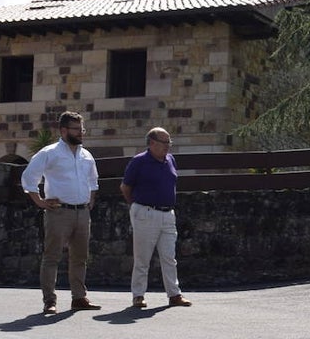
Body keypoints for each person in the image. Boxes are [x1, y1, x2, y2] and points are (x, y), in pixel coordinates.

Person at [21, 111, 101, 314]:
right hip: (59, 212)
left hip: (82, 212)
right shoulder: (50, 152)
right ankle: (49, 301)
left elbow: (93, 180)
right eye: (76, 129)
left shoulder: (86, 155)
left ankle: (79, 297)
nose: (81, 133)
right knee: (52, 257)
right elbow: (29, 176)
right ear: (63, 130)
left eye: (82, 129)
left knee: (80, 257)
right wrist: (39, 201)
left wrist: (90, 200)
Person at [119, 127, 192, 309]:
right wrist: (137, 207)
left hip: (168, 214)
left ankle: (174, 294)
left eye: (169, 142)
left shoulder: (170, 160)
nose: (168, 146)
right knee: (142, 257)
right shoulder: (139, 162)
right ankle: (138, 295)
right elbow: (125, 187)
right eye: (164, 142)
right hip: (146, 212)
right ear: (151, 143)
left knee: (169, 257)